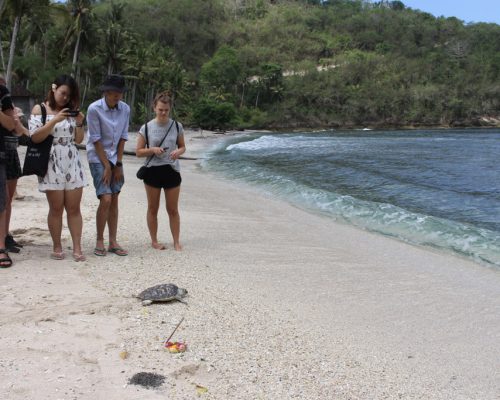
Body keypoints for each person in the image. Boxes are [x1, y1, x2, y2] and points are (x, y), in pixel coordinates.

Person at [29, 74, 87, 261]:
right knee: (56, 208)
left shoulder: (71, 110)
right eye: (63, 93)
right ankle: (57, 245)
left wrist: (79, 122)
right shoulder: (40, 109)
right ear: (54, 89)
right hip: (51, 160)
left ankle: (77, 247)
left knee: (74, 208)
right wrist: (55, 120)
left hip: (71, 160)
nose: (65, 98)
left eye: (69, 95)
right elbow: (35, 137)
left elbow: (79, 140)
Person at [136, 90, 186, 251]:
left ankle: (176, 241)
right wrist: (152, 150)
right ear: (154, 108)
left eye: (166, 110)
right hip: (152, 171)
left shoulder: (177, 126)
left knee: (172, 209)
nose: (163, 113)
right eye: (160, 109)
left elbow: (183, 146)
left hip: (171, 170)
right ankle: (154, 240)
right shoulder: (146, 128)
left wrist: (178, 152)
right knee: (153, 208)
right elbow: (138, 152)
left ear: (170, 109)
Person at [86, 74, 130, 257]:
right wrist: (106, 166)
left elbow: (123, 137)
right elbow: (95, 140)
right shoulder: (94, 109)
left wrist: (118, 164)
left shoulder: (125, 109)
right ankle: (99, 239)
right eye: (113, 93)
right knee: (106, 199)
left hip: (115, 157)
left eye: (119, 93)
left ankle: (113, 241)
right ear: (106, 92)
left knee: (115, 198)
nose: (116, 96)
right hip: (97, 157)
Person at [0, 83, 17, 267]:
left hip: (2, 151)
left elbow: (12, 124)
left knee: (3, 201)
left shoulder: (2, 93)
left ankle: (2, 245)